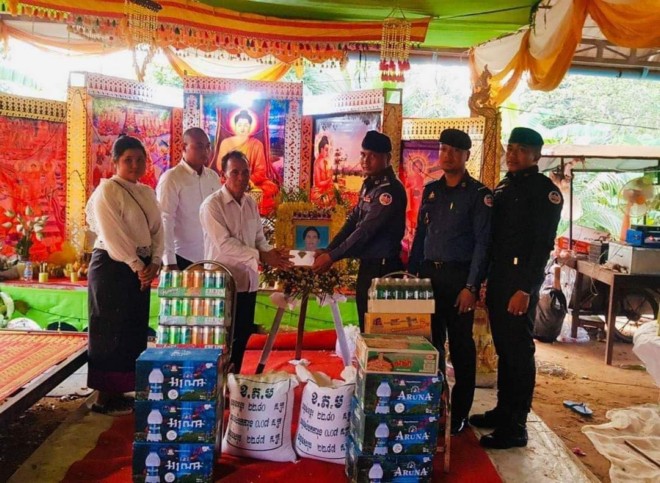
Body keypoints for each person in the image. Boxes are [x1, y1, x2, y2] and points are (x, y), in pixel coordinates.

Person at [470, 127, 563, 449]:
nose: (513, 155)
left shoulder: (544, 192)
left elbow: (542, 245)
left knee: (518, 353)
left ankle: (516, 425)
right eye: (510, 148)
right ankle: (503, 410)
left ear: (536, 155)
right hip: (499, 278)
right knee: (504, 349)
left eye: (521, 150)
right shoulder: (505, 185)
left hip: (519, 282)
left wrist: (526, 289)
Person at [408, 129, 492, 436]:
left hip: (459, 280)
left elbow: (483, 244)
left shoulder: (478, 195)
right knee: (431, 346)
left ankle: (460, 413)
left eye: (455, 151)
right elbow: (420, 237)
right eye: (443, 150)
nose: (448, 156)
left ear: (467, 155)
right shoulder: (431, 191)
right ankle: (435, 404)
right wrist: (412, 276)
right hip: (429, 277)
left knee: (460, 348)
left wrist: (471, 287)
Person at [85, 135, 164, 416]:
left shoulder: (147, 193)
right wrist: (138, 266)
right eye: (128, 160)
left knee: (132, 327)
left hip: (140, 267)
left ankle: (121, 389)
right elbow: (112, 235)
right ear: (116, 162)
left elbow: (158, 230)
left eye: (140, 159)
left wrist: (155, 261)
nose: (134, 165)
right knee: (109, 329)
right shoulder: (107, 190)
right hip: (112, 266)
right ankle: (102, 396)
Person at [200, 150, 292, 373]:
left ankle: (235, 380)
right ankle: (218, 383)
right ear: (223, 175)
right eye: (235, 172)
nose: (241, 177)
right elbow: (225, 244)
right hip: (222, 284)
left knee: (241, 336)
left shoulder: (250, 203)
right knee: (220, 339)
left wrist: (275, 255)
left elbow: (259, 239)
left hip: (248, 282)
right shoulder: (212, 205)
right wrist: (262, 256)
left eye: (245, 172)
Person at [312, 131, 406, 331]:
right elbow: (353, 221)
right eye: (363, 154)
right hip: (369, 266)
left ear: (387, 158)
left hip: (384, 270)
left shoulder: (389, 191)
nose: (365, 160)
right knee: (366, 326)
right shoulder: (369, 185)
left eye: (373, 155)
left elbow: (365, 231)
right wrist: (329, 250)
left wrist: (332, 257)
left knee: (380, 331)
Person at [156, 128, 220, 270]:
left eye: (208, 147)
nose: (205, 151)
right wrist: (169, 261)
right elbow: (165, 220)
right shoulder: (172, 178)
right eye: (199, 146)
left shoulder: (213, 177)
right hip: (182, 256)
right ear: (184, 147)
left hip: (211, 256)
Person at [216, 110, 279, 215]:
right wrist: (235, 178)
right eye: (240, 125)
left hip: (252, 182)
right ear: (235, 126)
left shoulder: (257, 144)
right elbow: (220, 166)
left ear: (250, 127)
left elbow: (261, 170)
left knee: (271, 187)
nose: (243, 128)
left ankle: (255, 212)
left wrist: (248, 180)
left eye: (246, 125)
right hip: (230, 179)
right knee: (216, 185)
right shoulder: (226, 143)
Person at [310, 135, 334, 206]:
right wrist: (328, 180)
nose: (327, 152)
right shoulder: (317, 163)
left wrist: (330, 181)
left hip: (327, 190)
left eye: (328, 150)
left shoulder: (327, 161)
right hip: (319, 192)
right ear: (321, 149)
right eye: (326, 150)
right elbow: (318, 183)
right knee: (322, 199)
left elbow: (330, 179)